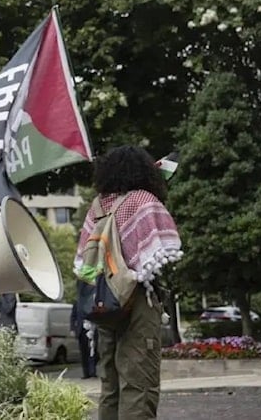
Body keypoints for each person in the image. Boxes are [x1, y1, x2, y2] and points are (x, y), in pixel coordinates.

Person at [74, 146, 182, 420]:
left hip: (104, 302)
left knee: (110, 385)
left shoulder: (97, 206)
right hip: (136, 301)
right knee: (139, 383)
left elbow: (82, 260)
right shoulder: (143, 200)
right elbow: (164, 250)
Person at [70, 302, 98, 378]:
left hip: (93, 329)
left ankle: (93, 371)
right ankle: (86, 373)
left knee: (93, 351)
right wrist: (72, 329)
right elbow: (73, 317)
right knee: (84, 352)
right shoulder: (77, 303)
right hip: (82, 331)